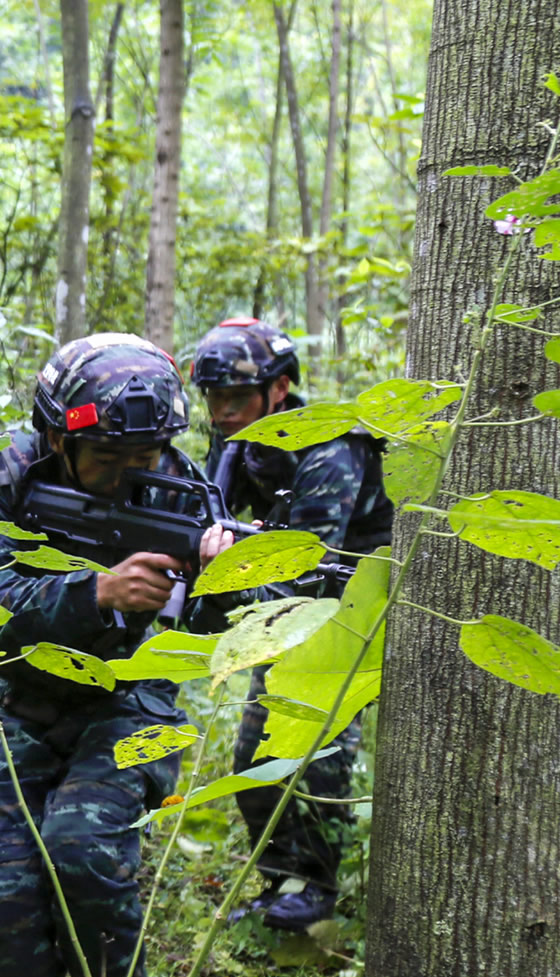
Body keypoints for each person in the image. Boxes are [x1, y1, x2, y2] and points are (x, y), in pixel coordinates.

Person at [0, 333, 249, 977]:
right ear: (57, 437)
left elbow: (211, 630)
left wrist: (222, 577)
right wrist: (94, 593)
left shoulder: (188, 488)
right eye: (106, 462)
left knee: (82, 852)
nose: (124, 479)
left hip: (131, 700)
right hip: (20, 697)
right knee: (6, 902)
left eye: (140, 463)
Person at [189, 317, 392, 931]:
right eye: (214, 399)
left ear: (279, 391)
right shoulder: (243, 446)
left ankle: (320, 889)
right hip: (286, 605)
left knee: (318, 753)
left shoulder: (331, 442)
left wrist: (233, 577)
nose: (223, 411)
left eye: (236, 398)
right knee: (254, 756)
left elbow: (312, 558)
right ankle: (281, 882)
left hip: (353, 607)